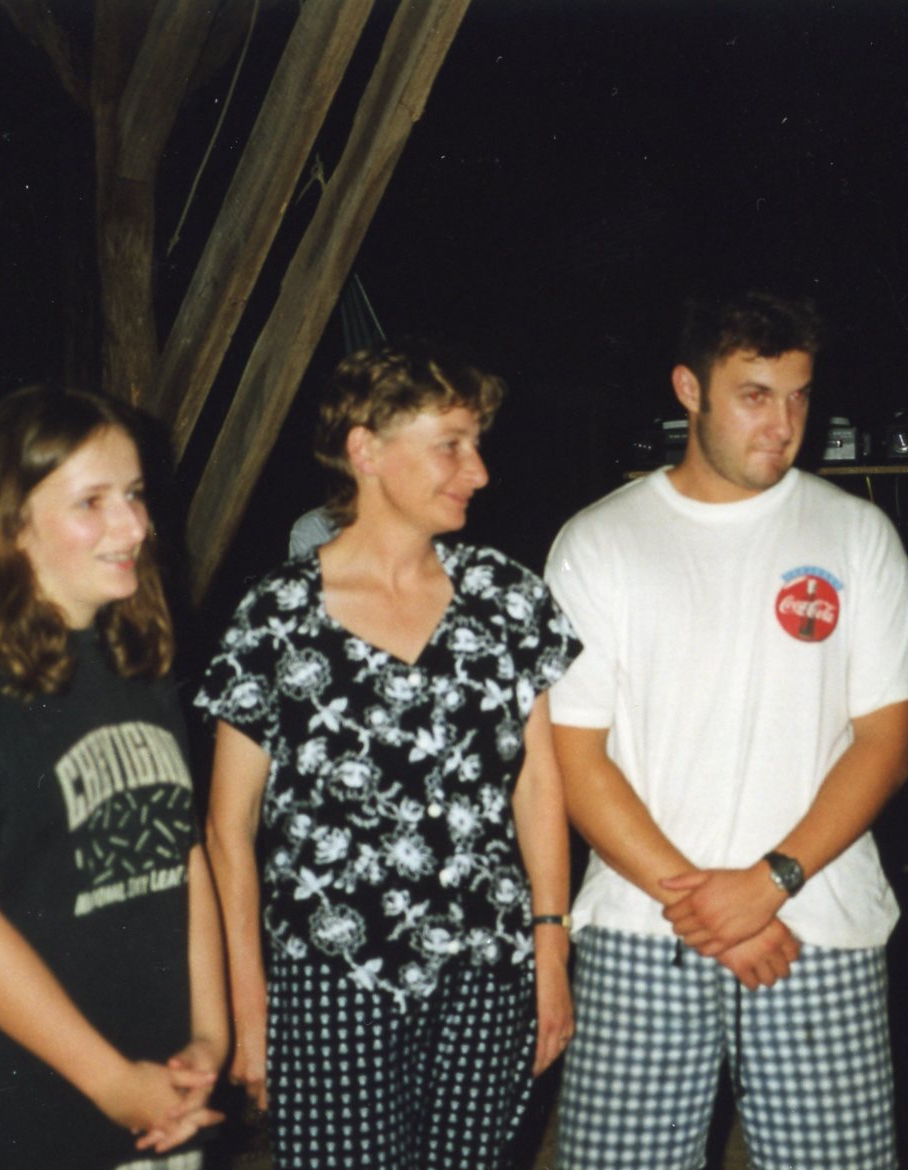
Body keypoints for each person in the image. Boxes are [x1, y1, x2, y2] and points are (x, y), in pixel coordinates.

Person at [545, 290, 908, 1170]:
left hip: (817, 925)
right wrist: (710, 906)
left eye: (799, 397)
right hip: (644, 931)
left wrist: (771, 882)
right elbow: (574, 756)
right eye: (755, 396)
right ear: (689, 389)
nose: (784, 425)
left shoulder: (857, 534)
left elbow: (885, 744)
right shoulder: (601, 542)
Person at [197, 343, 580, 1170]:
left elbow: (539, 784)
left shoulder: (507, 598)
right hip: (331, 976)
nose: (478, 471)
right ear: (365, 450)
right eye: (451, 445)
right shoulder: (276, 615)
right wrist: (250, 1009)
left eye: (477, 444)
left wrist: (551, 952)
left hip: (487, 969)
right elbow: (228, 829)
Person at [0, 386, 227, 1170]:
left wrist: (211, 1038)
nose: (133, 526)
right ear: (11, 524)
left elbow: (185, 861)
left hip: (162, 1104)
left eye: (134, 495)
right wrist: (112, 1083)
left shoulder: (139, 663)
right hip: (19, 1123)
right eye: (92, 502)